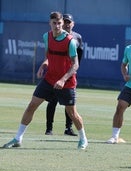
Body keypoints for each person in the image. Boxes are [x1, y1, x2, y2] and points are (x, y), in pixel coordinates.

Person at [2, 11, 88, 150]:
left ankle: (83, 139)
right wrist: (44, 65)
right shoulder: (46, 37)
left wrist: (62, 79)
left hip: (66, 82)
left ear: (63, 24)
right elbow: (49, 56)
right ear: (50, 23)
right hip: (49, 79)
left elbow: (75, 65)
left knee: (72, 113)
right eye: (54, 23)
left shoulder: (70, 41)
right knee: (31, 106)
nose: (57, 26)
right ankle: (18, 138)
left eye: (59, 23)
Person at [44, 13, 84, 136]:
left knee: (70, 106)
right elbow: (49, 54)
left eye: (68, 22)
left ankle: (68, 128)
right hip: (55, 75)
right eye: (64, 21)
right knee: (52, 101)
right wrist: (45, 63)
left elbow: (80, 53)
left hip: (68, 76)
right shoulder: (52, 36)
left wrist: (74, 69)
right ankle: (49, 128)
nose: (66, 24)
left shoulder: (76, 37)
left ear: (73, 24)